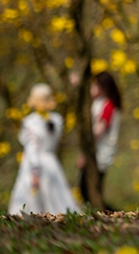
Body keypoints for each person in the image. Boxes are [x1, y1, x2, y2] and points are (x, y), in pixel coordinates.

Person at [8, 83, 82, 215]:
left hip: (35, 164)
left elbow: (32, 149)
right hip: (51, 162)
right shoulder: (57, 120)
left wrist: (34, 171)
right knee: (54, 196)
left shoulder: (31, 122)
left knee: (32, 199)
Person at [78, 71, 122, 209]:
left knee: (89, 191)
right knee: (88, 191)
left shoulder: (107, 105)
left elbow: (99, 130)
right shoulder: (100, 103)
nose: (92, 88)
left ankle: (113, 214)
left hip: (100, 152)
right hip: (98, 151)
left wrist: (86, 152)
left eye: (95, 85)